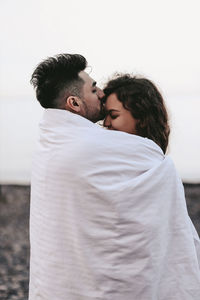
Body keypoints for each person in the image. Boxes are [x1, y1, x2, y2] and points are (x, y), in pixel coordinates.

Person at [29, 54, 200, 300]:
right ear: (75, 103)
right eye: (94, 88)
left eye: (114, 115)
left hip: (55, 286)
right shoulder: (97, 147)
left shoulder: (50, 145)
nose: (100, 93)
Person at [103, 74, 170, 153]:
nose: (106, 123)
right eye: (104, 116)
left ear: (142, 118)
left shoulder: (156, 161)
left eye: (113, 116)